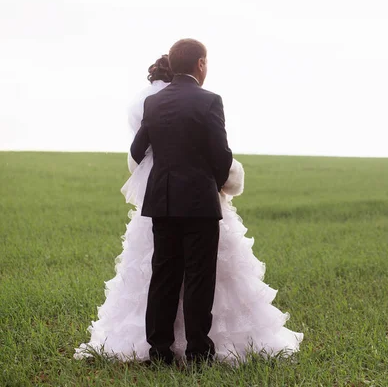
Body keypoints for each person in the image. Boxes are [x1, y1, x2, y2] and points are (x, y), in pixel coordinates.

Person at [74, 40, 303, 365]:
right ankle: (198, 352)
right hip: (199, 204)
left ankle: (159, 352)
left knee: (163, 277)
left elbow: (137, 153)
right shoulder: (210, 101)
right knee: (199, 277)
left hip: (162, 203)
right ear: (199, 64)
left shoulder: (154, 103)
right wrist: (217, 180)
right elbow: (221, 157)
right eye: (206, 62)